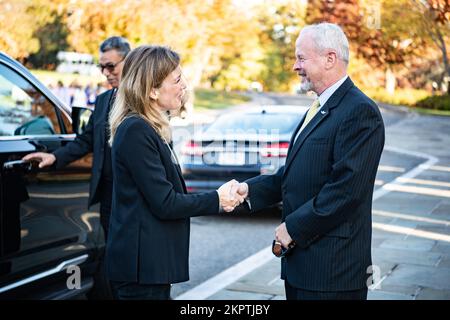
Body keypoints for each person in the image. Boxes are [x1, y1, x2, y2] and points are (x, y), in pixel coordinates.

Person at [235, 23, 385, 300]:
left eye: (301, 58)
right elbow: (294, 175)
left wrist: (293, 227)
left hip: (332, 273)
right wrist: (251, 190)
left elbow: (346, 191)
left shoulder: (360, 112)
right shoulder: (317, 107)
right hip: (303, 268)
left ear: (330, 58)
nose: (295, 66)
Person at [106, 45, 243, 300]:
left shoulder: (151, 127)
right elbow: (165, 203)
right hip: (141, 270)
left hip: (151, 266)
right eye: (177, 80)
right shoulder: (136, 130)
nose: (184, 86)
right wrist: (217, 199)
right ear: (152, 90)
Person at [22, 36, 131, 299]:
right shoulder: (104, 100)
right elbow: (86, 140)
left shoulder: (144, 97)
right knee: (115, 252)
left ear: (128, 62)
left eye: (111, 67)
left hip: (135, 195)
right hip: (107, 195)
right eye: (101, 67)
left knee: (133, 255)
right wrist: (55, 158)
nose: (106, 73)